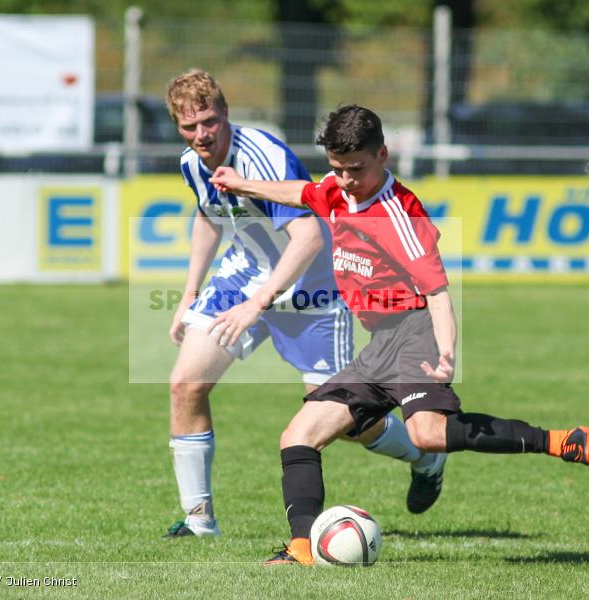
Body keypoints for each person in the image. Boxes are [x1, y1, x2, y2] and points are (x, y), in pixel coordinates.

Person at [210, 104, 589, 564]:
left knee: (429, 434)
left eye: (356, 169)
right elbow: (302, 191)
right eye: (337, 168)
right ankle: (302, 548)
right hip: (380, 344)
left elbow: (437, 290)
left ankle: (556, 440)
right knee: (298, 434)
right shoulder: (336, 190)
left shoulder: (400, 216)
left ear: (383, 155)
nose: (346, 179)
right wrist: (241, 183)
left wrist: (447, 350)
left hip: (416, 330)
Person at [162, 72, 447, 539]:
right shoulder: (192, 163)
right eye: (189, 128)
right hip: (245, 276)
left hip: (312, 288)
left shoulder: (263, 157)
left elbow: (310, 236)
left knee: (351, 424)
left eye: (209, 122)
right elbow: (209, 217)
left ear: (226, 112)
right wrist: (191, 292)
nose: (201, 136)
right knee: (185, 384)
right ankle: (199, 523)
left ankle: (427, 456)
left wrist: (258, 303)